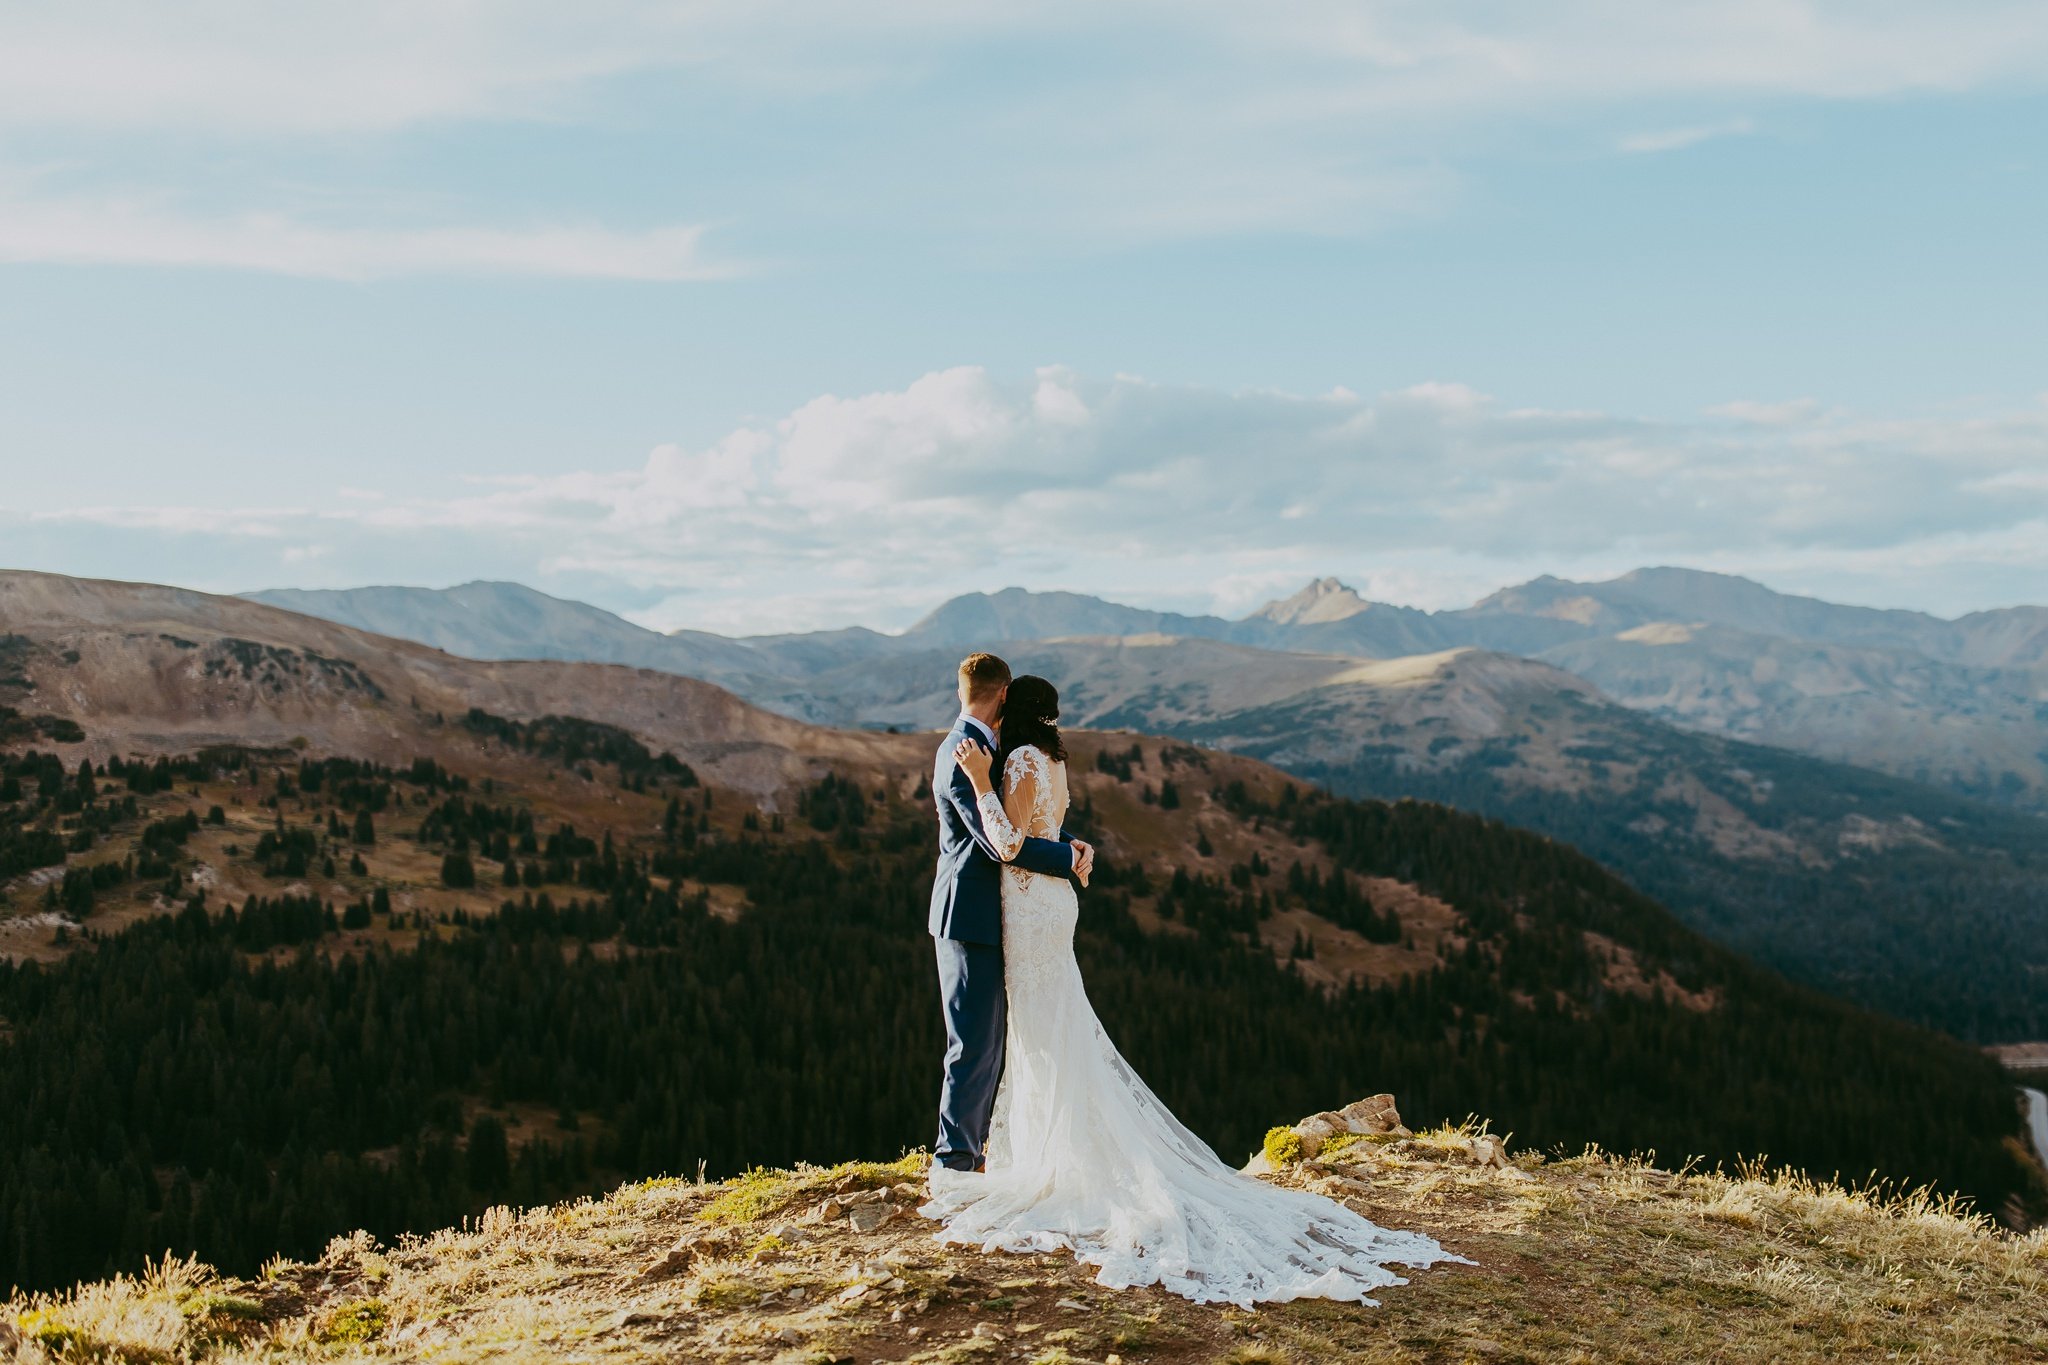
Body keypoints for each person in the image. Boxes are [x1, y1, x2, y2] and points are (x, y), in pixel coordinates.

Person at [921, 672, 1464, 1307]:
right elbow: (1016, 841)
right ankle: (998, 1155)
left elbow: (1009, 843)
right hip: (1030, 909)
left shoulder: (1007, 760)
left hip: (1027, 911)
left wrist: (1007, 801)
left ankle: (1003, 1160)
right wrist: (1067, 850)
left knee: (1034, 1031)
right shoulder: (1034, 758)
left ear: (1015, 709)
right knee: (1038, 1030)